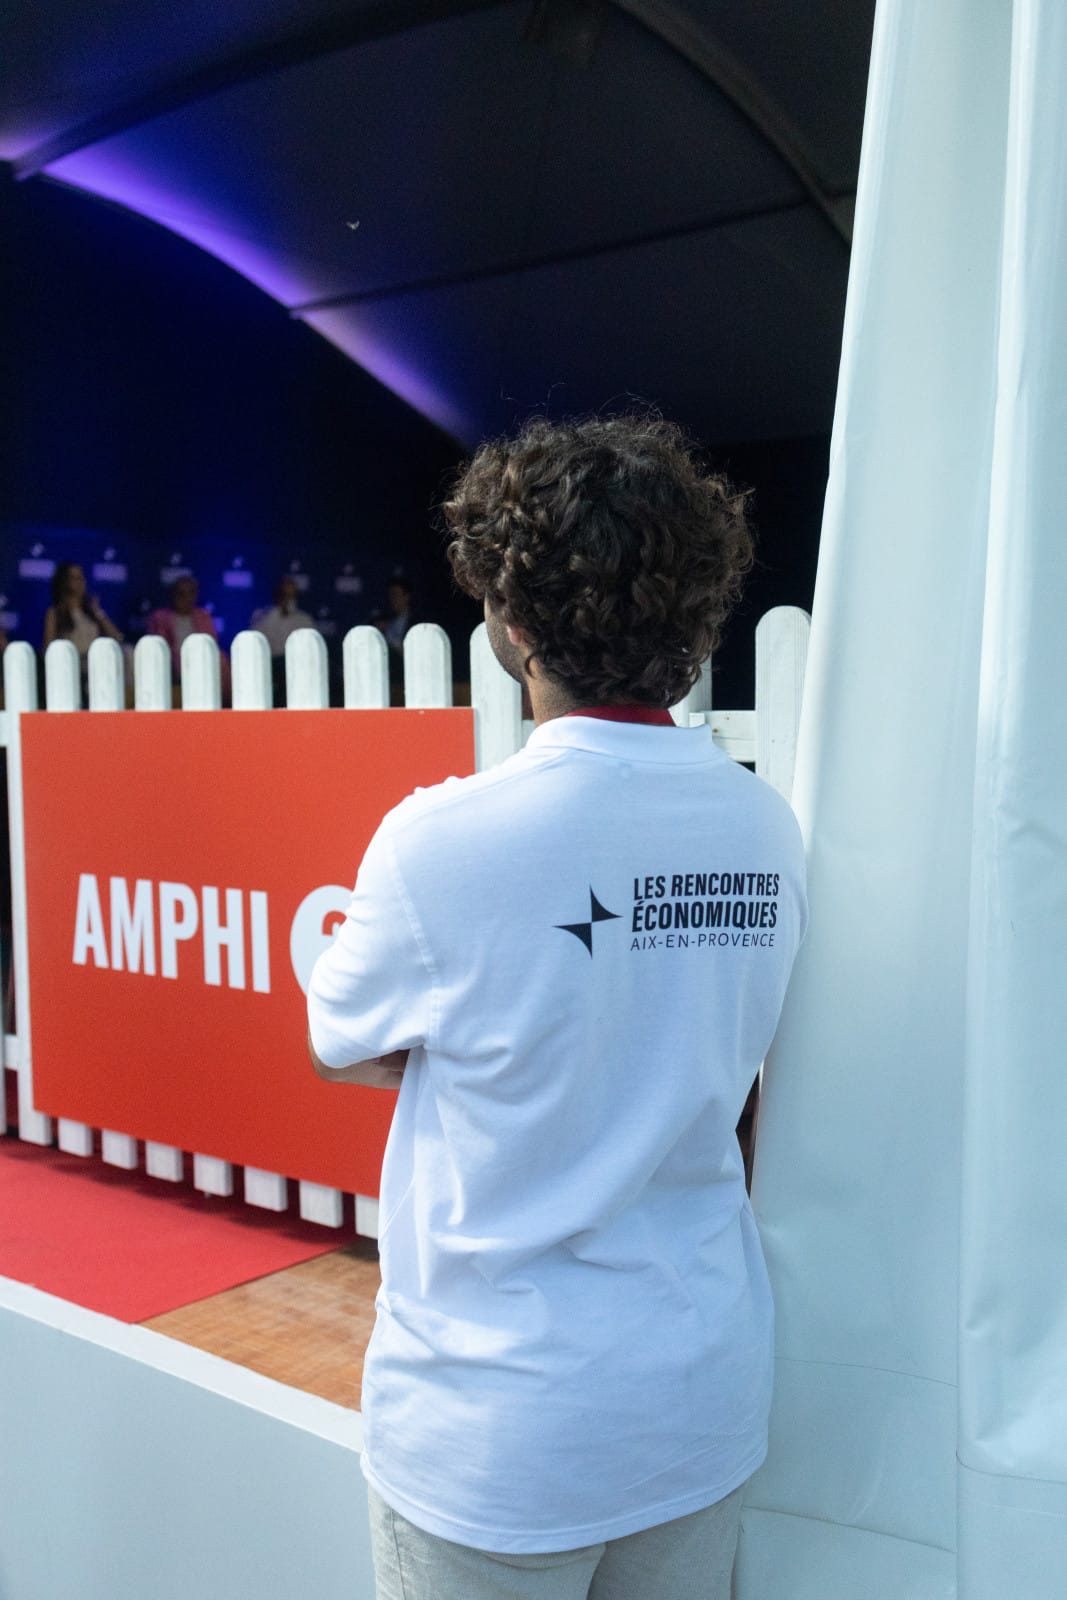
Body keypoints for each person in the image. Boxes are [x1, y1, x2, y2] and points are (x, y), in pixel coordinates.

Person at [306, 414, 808, 1600]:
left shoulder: (441, 840)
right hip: (698, 1398)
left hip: (498, 1428)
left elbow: (343, 1042)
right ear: (691, 611)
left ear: (513, 621)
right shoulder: (763, 828)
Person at [146, 575, 224, 684]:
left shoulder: (203, 616)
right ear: (173, 595)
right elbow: (160, 647)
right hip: (174, 663)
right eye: (181, 594)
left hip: (201, 661)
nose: (186, 598)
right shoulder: (160, 617)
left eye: (190, 593)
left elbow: (211, 643)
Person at [43, 562, 124, 658]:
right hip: (73, 662)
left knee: (126, 651)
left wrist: (97, 611)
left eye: (81, 577)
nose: (81, 581)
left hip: (94, 661)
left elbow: (116, 637)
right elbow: (49, 648)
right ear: (64, 582)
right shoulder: (55, 613)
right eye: (75, 578)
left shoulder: (91, 611)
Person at [249, 575, 316, 659]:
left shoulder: (305, 620)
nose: (287, 600)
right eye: (284, 595)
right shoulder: (262, 618)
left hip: (296, 662)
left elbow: (310, 648)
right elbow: (256, 645)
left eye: (291, 596)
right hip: (270, 662)